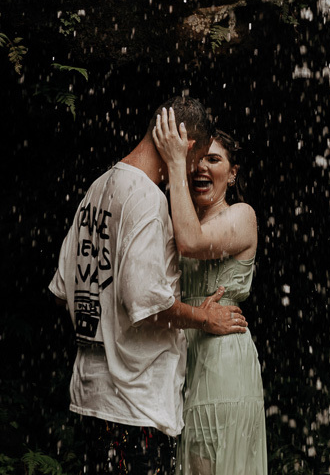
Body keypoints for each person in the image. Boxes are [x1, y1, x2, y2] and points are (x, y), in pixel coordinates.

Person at [49, 96, 249, 475]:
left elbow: (64, 291)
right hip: (135, 404)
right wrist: (204, 318)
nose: (193, 172)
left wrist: (108, 327)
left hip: (93, 395)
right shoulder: (147, 200)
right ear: (185, 146)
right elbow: (147, 304)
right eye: (197, 160)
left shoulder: (98, 188)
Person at [152, 108, 267, 475]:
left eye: (213, 160)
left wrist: (175, 162)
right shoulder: (178, 217)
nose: (201, 167)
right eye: (196, 159)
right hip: (186, 354)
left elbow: (191, 242)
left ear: (232, 173)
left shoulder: (242, 216)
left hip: (223, 357)